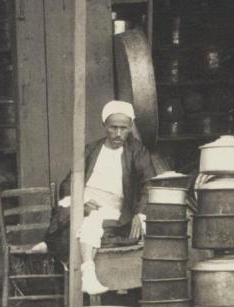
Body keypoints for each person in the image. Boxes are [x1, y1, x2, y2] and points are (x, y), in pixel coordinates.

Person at [44, 100, 155, 296]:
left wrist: (140, 213)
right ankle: (87, 274)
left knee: (91, 221)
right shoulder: (91, 150)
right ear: (104, 126)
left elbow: (149, 183)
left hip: (114, 208)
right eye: (113, 127)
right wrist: (81, 204)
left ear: (130, 127)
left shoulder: (137, 152)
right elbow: (68, 183)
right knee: (84, 217)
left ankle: (87, 272)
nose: (118, 133)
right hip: (84, 202)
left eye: (124, 128)